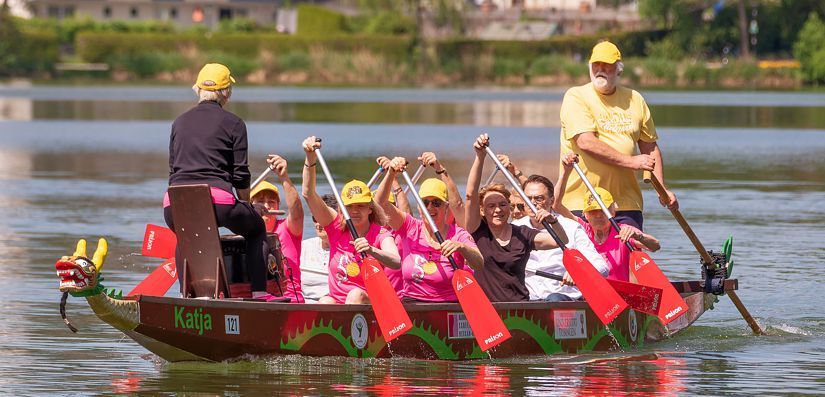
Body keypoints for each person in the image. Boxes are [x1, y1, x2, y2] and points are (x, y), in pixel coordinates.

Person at [164, 63, 277, 301]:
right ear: (227, 93)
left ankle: (188, 295)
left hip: (175, 203)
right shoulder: (234, 123)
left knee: (186, 235)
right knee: (257, 229)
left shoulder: (179, 122)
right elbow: (240, 174)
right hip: (218, 202)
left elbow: (174, 169)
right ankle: (259, 294)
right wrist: (247, 205)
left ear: (197, 89)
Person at [559, 40, 678, 230]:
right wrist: (631, 162)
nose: (600, 69)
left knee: (625, 257)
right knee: (587, 259)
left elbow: (650, 148)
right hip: (582, 204)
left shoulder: (635, 99)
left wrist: (662, 189)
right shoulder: (576, 96)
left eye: (607, 65)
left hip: (626, 205)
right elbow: (586, 142)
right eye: (596, 64)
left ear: (619, 69)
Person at [301, 136, 401, 304]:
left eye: (360, 206)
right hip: (337, 301)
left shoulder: (380, 234)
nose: (354, 211)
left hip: (368, 302)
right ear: (342, 209)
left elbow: (396, 262)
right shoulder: (336, 226)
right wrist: (310, 158)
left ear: (370, 208)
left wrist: (371, 250)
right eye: (349, 206)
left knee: (355, 295)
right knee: (325, 301)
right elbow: (308, 194)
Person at [464, 133, 561, 302]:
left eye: (502, 204)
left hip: (521, 310)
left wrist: (553, 221)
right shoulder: (477, 230)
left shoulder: (522, 233)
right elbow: (470, 195)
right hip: (489, 311)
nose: (497, 210)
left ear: (509, 208)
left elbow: (560, 240)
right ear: (482, 210)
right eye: (491, 206)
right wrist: (480, 156)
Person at [375, 157, 484, 302]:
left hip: (448, 305)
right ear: (419, 207)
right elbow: (379, 204)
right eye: (425, 203)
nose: (430, 208)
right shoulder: (409, 226)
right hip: (412, 303)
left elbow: (479, 263)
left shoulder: (458, 234)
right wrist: (391, 173)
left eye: (436, 203)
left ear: (446, 207)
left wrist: (462, 247)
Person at [554, 154, 660, 282]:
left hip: (620, 294)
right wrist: (566, 171)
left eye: (603, 211)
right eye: (593, 211)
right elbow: (556, 205)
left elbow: (655, 246)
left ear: (613, 212)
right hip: (590, 292)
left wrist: (638, 236)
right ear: (585, 214)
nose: (598, 215)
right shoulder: (581, 229)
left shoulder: (623, 231)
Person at [508, 167, 609, 302]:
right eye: (528, 198)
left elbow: (601, 267)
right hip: (528, 299)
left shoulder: (571, 227)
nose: (532, 203)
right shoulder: (514, 227)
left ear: (551, 200)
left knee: (554, 298)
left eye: (539, 198)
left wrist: (579, 273)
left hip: (561, 297)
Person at [249, 154, 304, 302]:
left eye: (271, 202)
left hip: (290, 300)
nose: (266, 206)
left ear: (278, 206)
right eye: (260, 202)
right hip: (255, 302)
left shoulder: (288, 229)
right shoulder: (244, 232)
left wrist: (284, 177)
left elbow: (297, 213)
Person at [299, 194, 337, 302]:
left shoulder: (348, 250)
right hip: (303, 306)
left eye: (323, 218)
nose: (318, 224)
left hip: (333, 307)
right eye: (315, 218)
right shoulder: (303, 247)